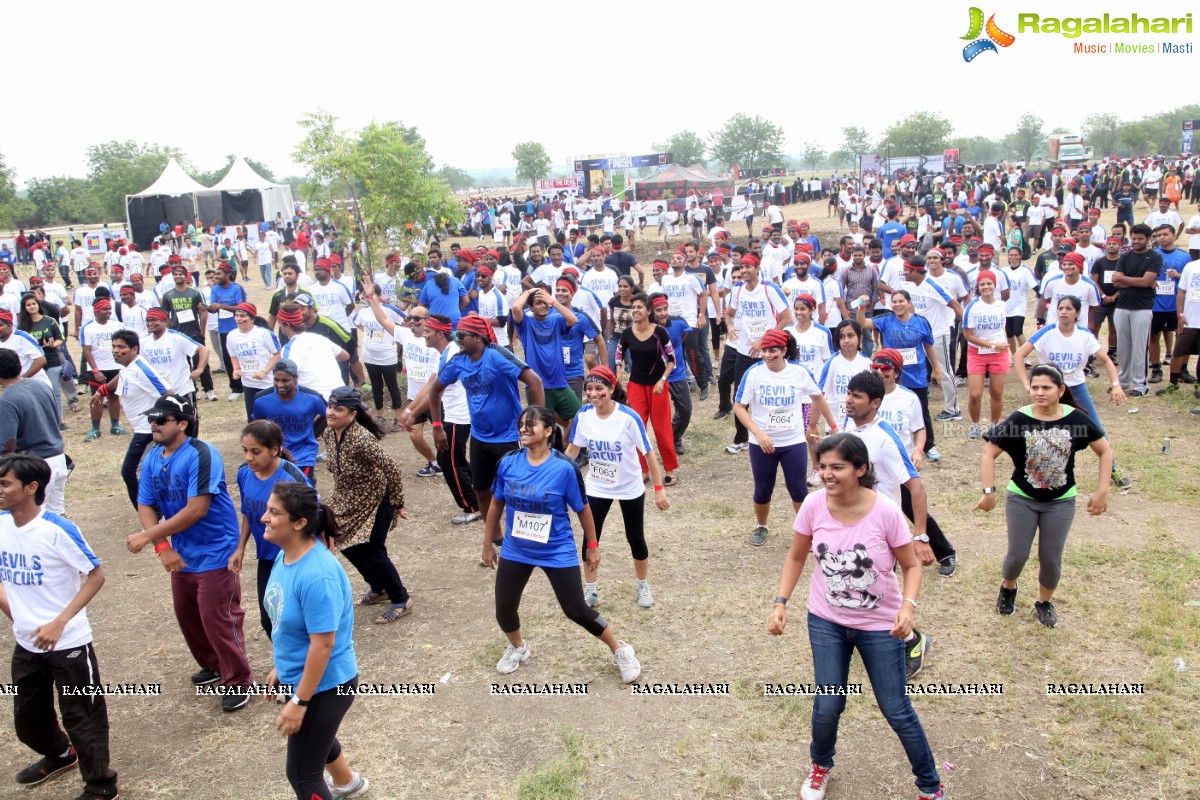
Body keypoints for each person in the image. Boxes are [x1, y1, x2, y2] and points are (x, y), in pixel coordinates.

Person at [767, 433, 943, 800]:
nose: (827, 474)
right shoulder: (814, 506)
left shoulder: (886, 512)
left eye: (837, 467)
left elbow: (911, 565)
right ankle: (820, 766)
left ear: (861, 470)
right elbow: (797, 556)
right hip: (826, 620)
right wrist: (781, 601)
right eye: (823, 466)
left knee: (896, 709)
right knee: (829, 702)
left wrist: (908, 607)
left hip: (880, 625)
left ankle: (930, 785)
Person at [485, 405, 642, 683]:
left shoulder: (564, 468)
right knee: (504, 607)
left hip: (556, 549)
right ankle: (518, 648)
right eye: (521, 423)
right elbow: (497, 502)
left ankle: (620, 649)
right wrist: (488, 543)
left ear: (548, 431)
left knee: (576, 609)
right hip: (516, 548)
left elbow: (582, 509)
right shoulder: (508, 462)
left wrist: (592, 545)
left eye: (530, 424)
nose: (523, 429)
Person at [0, 454, 120, 800]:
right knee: (27, 717)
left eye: (6, 483)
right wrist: (15, 611)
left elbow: (96, 575)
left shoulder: (56, 529)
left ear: (31, 487)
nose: (0, 489)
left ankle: (101, 785)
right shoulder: (3, 524)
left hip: (67, 643)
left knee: (83, 716)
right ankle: (60, 754)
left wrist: (60, 621)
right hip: (27, 643)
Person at [127, 394, 254, 712]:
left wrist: (147, 536)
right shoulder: (154, 456)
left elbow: (197, 509)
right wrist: (162, 546)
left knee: (219, 616)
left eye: (161, 420)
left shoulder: (201, 454)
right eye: (151, 420)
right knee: (188, 614)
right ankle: (213, 665)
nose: (153, 425)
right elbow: (146, 503)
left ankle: (238, 680)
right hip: (182, 551)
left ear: (182, 424)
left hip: (216, 549)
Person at [976, 365, 1112, 627]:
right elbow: (989, 454)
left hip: (1061, 501)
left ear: (1060, 390)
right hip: (1022, 498)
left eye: (1046, 388)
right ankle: (1008, 587)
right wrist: (989, 492)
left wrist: (1102, 491)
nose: (1039, 392)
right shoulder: (1019, 419)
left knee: (1050, 558)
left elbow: (1105, 451)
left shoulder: (1076, 419)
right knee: (1017, 555)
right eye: (1035, 387)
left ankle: (1044, 602)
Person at [261, 482, 368, 800]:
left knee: (303, 775)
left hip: (327, 686)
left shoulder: (317, 575)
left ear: (299, 523)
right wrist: (280, 666)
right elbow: (290, 625)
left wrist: (300, 702)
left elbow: (323, 645)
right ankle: (348, 783)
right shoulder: (287, 555)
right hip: (309, 679)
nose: (264, 517)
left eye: (274, 512)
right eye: (267, 509)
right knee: (318, 738)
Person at [427, 314, 545, 558]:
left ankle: (523, 537)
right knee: (481, 489)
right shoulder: (459, 361)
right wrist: (437, 425)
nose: (457, 339)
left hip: (508, 437)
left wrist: (537, 422)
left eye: (462, 336)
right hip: (480, 437)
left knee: (517, 491)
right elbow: (435, 389)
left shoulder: (497, 355)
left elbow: (534, 382)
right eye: (456, 335)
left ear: (478, 338)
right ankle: (497, 537)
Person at [564, 367, 669, 609]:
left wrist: (658, 488)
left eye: (599, 388)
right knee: (591, 539)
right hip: (597, 487)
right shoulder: (583, 416)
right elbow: (573, 451)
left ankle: (643, 584)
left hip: (629, 486)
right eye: (589, 389)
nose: (593, 394)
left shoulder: (628, 417)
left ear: (612, 389)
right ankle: (590, 591)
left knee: (635, 538)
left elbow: (648, 453)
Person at [1015, 295, 1130, 488]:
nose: (1063, 312)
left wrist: (1116, 384)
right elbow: (1019, 355)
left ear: (1077, 312)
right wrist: (1028, 385)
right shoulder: (1047, 332)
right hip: (1050, 390)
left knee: (1097, 429)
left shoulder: (1084, 334)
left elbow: (1106, 360)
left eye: (1068, 309)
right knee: (1038, 432)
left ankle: (1113, 470)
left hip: (1076, 388)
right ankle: (1034, 473)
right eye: (1060, 308)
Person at [734, 329, 836, 547]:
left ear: (783, 351)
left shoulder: (799, 372)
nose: (767, 355)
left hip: (793, 442)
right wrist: (759, 434)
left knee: (799, 489)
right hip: (762, 443)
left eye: (773, 351)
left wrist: (833, 425)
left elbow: (818, 397)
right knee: (762, 490)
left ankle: (808, 533)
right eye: (764, 351)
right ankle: (762, 526)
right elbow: (739, 407)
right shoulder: (754, 373)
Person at [322, 386, 412, 624]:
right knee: (343, 542)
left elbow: (391, 468)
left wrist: (397, 502)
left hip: (375, 500)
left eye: (338, 409)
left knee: (373, 551)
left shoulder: (362, 438)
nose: (331, 412)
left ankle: (400, 598)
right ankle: (378, 587)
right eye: (330, 406)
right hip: (347, 499)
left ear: (352, 414)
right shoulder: (329, 433)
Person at [232, 420, 312, 637]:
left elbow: (316, 515)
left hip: (294, 558)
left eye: (256, 451)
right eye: (245, 450)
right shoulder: (244, 473)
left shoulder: (291, 479)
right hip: (267, 557)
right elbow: (249, 512)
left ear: (274, 449)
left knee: (294, 619)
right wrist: (240, 547)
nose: (249, 457)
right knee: (269, 620)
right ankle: (289, 664)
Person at [856, 289, 941, 462]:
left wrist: (936, 369)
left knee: (922, 412)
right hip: (890, 374)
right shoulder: (886, 320)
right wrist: (861, 306)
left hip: (917, 374)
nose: (897, 305)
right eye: (894, 302)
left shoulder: (921, 322)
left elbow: (929, 347)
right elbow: (863, 323)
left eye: (901, 301)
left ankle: (928, 445)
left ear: (909, 303)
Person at [615, 293, 679, 485]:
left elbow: (671, 360)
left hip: (658, 385)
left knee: (661, 429)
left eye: (639, 307)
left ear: (648, 311)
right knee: (636, 427)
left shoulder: (660, 332)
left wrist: (662, 380)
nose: (635, 310)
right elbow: (618, 352)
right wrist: (618, 371)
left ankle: (670, 469)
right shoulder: (627, 332)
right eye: (633, 307)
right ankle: (642, 470)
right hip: (636, 385)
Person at [0, 350, 70, 515]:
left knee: (31, 517)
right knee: (57, 513)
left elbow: (7, 445)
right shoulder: (40, 385)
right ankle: (71, 540)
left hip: (35, 466)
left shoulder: (7, 400)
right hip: (58, 458)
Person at [251, 361, 329, 481]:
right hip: (276, 455)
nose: (280, 384)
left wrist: (315, 431)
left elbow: (330, 416)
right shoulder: (261, 400)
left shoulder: (312, 398)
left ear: (296, 379)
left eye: (285, 380)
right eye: (276, 380)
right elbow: (256, 429)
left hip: (304, 454)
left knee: (301, 489)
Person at [1111, 223, 1161, 397]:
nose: (1136, 241)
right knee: (1123, 347)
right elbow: (1116, 282)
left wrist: (1125, 279)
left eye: (1140, 239)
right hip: (1122, 306)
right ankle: (1124, 381)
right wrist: (1137, 281)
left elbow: (1147, 282)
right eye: (1133, 238)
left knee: (1140, 347)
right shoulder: (1125, 256)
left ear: (1148, 239)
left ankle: (1140, 384)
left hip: (1142, 307)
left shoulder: (1154, 257)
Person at [962, 270, 1011, 438]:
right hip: (977, 352)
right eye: (982, 284)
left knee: (997, 392)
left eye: (989, 283)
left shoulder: (1002, 305)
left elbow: (1002, 327)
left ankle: (994, 425)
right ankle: (975, 425)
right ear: (978, 287)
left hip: (998, 353)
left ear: (995, 285)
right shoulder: (972, 307)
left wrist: (1003, 345)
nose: (986, 287)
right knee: (975, 394)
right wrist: (991, 345)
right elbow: (968, 335)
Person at [79, 299, 127, 443]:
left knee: (114, 397)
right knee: (97, 399)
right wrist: (95, 370)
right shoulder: (88, 328)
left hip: (115, 367)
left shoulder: (118, 326)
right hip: (98, 369)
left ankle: (115, 425)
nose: (108, 312)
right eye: (104, 310)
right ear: (96, 311)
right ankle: (95, 428)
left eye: (109, 309)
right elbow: (86, 351)